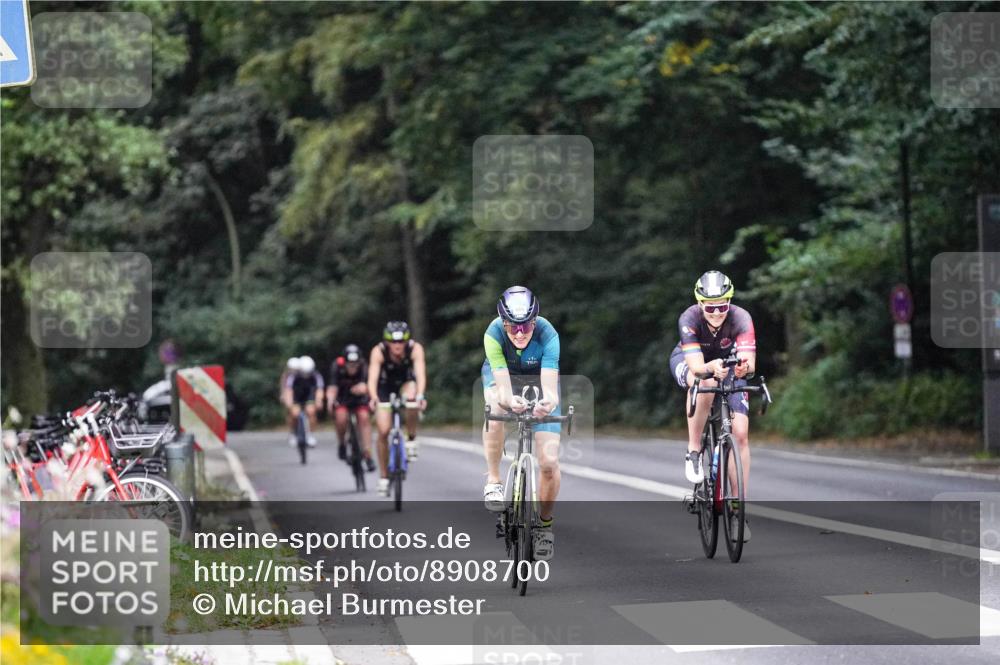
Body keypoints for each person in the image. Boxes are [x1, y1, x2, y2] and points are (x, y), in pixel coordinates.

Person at [668, 271, 756, 541]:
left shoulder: (741, 318)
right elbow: (696, 367)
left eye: (722, 305)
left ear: (729, 302)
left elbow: (750, 364)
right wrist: (709, 368)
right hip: (693, 362)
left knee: (740, 434)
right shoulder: (690, 318)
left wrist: (743, 368)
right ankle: (694, 449)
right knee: (704, 382)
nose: (717, 312)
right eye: (710, 306)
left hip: (727, 365)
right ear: (700, 303)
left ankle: (737, 507)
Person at [481, 286, 561, 561]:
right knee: (494, 406)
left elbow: (550, 389)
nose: (519, 332)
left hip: (539, 381)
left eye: (525, 325)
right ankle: (493, 479)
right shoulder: (493, 334)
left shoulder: (548, 333)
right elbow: (501, 388)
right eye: (512, 326)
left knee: (549, 464)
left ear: (535, 320)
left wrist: (546, 404)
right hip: (503, 378)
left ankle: (545, 527)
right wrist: (508, 401)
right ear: (503, 322)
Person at [367, 321, 427, 497]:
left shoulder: (415, 349)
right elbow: (372, 378)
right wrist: (373, 397)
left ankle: (411, 438)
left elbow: (420, 374)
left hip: (406, 383)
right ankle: (384, 477)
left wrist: (421, 395)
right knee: (383, 432)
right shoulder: (378, 351)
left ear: (407, 341)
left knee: (412, 398)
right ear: (386, 342)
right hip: (384, 387)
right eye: (393, 342)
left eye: (401, 342)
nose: (397, 346)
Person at [327, 344, 376, 472]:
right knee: (341, 418)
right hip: (342, 396)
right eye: (350, 364)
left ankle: (367, 454)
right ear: (344, 362)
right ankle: (342, 443)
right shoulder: (337, 366)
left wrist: (365, 388)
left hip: (360, 398)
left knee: (364, 418)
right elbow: (332, 387)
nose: (353, 367)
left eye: (355, 364)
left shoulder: (365, 367)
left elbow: (372, 385)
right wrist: (330, 400)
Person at [281, 355, 324, 447]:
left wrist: (319, 400)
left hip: (309, 395)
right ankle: (293, 433)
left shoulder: (316, 375)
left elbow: (319, 390)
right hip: (297, 396)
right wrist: (289, 402)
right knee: (294, 413)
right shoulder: (293, 376)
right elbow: (288, 390)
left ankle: (310, 435)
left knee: (311, 412)